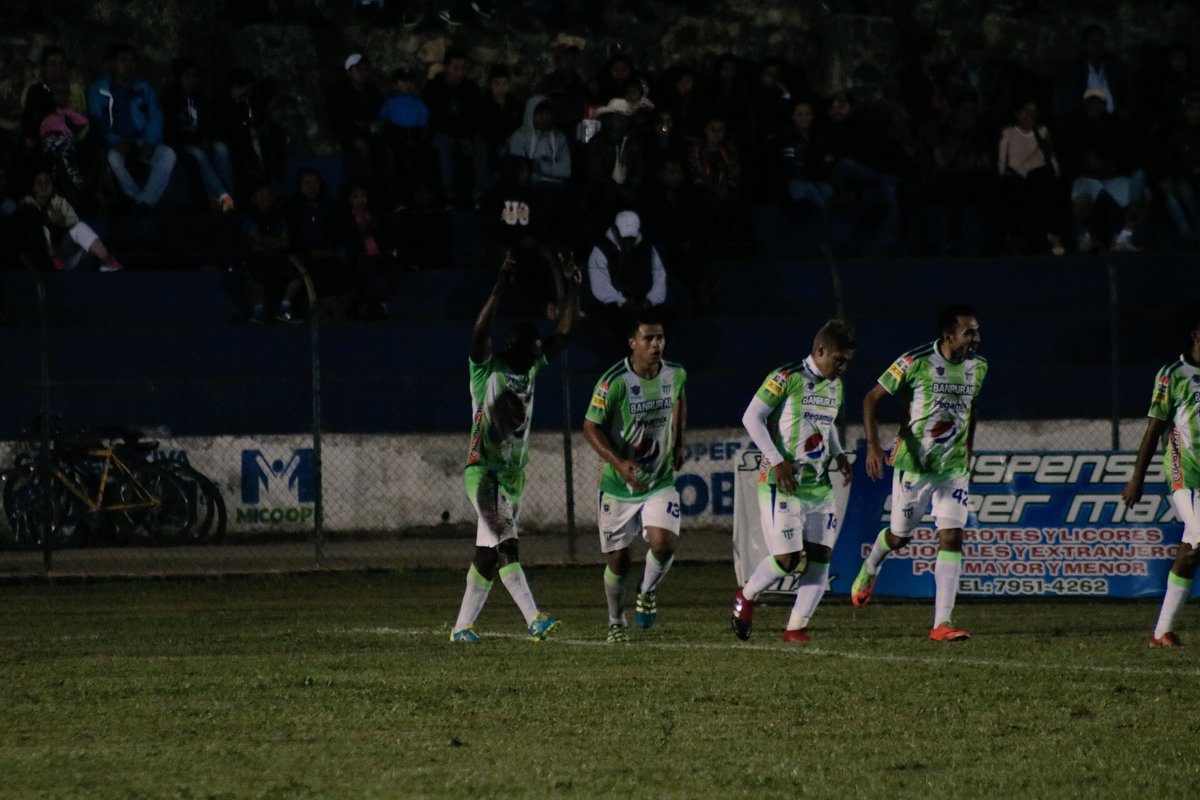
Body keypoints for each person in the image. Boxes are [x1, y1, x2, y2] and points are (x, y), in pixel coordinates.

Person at [449, 254, 581, 643]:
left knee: (487, 555)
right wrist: (500, 287)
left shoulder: (531, 364)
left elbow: (566, 333)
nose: (535, 357)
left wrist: (573, 287)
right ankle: (534, 618)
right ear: (511, 347)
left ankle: (461, 628)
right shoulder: (486, 369)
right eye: (529, 351)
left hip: (512, 476)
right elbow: (478, 333)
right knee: (507, 543)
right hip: (483, 471)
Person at [849, 305, 987, 641]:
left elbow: (973, 406)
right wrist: (873, 447)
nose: (976, 338)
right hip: (915, 465)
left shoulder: (979, 367)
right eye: (968, 332)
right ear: (949, 336)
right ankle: (872, 565)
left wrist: (968, 446)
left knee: (952, 536)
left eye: (977, 331)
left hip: (952, 468)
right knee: (899, 538)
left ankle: (942, 623)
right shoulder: (915, 361)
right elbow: (871, 399)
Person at [731, 319, 856, 643]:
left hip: (818, 485)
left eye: (846, 361)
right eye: (838, 359)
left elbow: (824, 424)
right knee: (787, 560)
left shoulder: (835, 386)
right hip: (782, 484)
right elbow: (751, 417)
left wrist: (839, 452)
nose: (842, 367)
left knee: (820, 556)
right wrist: (777, 461)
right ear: (819, 350)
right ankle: (747, 594)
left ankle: (796, 627)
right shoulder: (786, 377)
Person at [583, 310, 688, 643]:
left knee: (664, 542)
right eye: (648, 338)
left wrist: (680, 440)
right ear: (632, 343)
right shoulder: (613, 381)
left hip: (659, 479)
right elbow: (590, 427)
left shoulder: (676, 373)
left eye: (660, 338)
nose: (656, 344)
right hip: (619, 485)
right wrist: (617, 463)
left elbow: (679, 401)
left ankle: (647, 590)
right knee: (619, 560)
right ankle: (616, 621)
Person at [1122, 312, 1200, 648]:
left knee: (1191, 550)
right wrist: (1136, 479)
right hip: (1186, 473)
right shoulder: (1174, 375)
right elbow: (1154, 428)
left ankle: (1161, 632)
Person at [86, 44, 177, 209]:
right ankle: (135, 197)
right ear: (113, 64)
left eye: (131, 61)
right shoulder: (99, 90)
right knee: (113, 158)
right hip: (117, 143)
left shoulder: (144, 88)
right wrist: (115, 141)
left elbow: (156, 116)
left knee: (168, 154)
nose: (128, 65)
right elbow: (99, 120)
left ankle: (144, 202)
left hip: (142, 140)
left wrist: (150, 142)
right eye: (122, 60)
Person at [161, 57, 235, 212]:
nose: (192, 80)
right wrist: (193, 141)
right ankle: (225, 200)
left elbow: (209, 122)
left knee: (221, 149)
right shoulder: (169, 99)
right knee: (198, 155)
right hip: (181, 144)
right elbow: (170, 129)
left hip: (200, 140)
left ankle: (226, 196)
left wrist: (206, 138)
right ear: (179, 77)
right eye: (187, 76)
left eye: (194, 76)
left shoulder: (201, 98)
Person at [18, 171, 123, 272]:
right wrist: (47, 219)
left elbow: (75, 223)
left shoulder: (59, 201)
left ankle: (107, 262)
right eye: (39, 182)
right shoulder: (26, 205)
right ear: (33, 187)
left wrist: (61, 222)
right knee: (43, 228)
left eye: (47, 182)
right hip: (41, 258)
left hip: (64, 256)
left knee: (80, 229)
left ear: (52, 187)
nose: (43, 185)